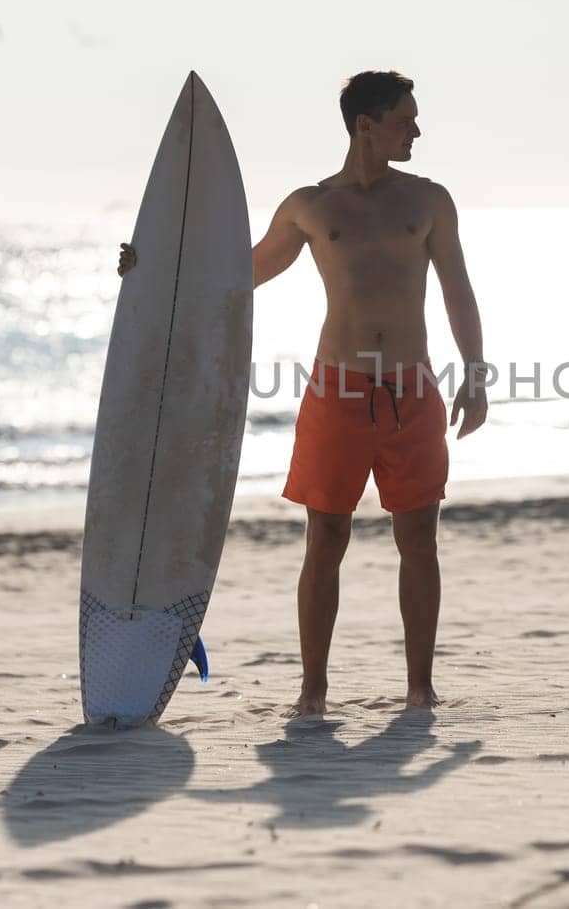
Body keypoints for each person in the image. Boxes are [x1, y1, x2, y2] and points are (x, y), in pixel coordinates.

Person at [117, 70, 487, 716]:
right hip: (336, 396)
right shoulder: (311, 206)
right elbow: (238, 275)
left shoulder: (430, 202)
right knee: (325, 543)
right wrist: (147, 268)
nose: (417, 131)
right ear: (365, 126)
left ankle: (420, 688)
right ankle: (313, 691)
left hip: (412, 394)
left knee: (419, 540)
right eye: (405, 120)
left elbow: (458, 288)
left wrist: (475, 371)